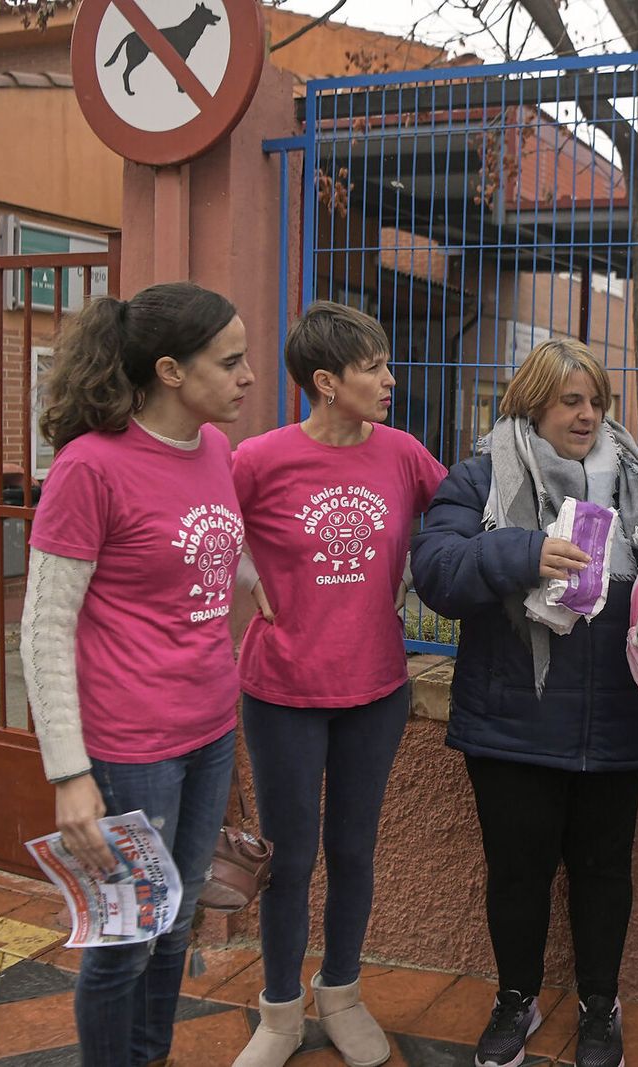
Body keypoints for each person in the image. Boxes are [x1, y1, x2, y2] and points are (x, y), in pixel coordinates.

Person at [410, 338, 638, 1067]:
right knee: (517, 874)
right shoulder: (479, 478)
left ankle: (598, 1005)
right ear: (533, 404)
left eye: (596, 400)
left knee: (604, 873)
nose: (588, 414)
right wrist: (522, 552)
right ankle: (515, 1000)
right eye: (570, 400)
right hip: (512, 724)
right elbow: (435, 569)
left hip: (617, 722)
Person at [20, 282, 254, 1067]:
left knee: (176, 924)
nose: (248, 376)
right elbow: (45, 626)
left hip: (210, 729)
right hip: (130, 750)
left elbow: (207, 558)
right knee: (125, 939)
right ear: (170, 371)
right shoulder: (89, 469)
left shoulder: (215, 450)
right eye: (230, 361)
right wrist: (70, 772)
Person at [229, 301, 447, 1067]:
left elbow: (458, 520)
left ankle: (343, 993)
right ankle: (280, 1013)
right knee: (290, 855)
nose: (391, 380)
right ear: (325, 381)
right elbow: (204, 532)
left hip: (375, 687)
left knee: (353, 849)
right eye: (374, 368)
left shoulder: (404, 454)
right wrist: (249, 573)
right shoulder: (258, 458)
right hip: (282, 688)